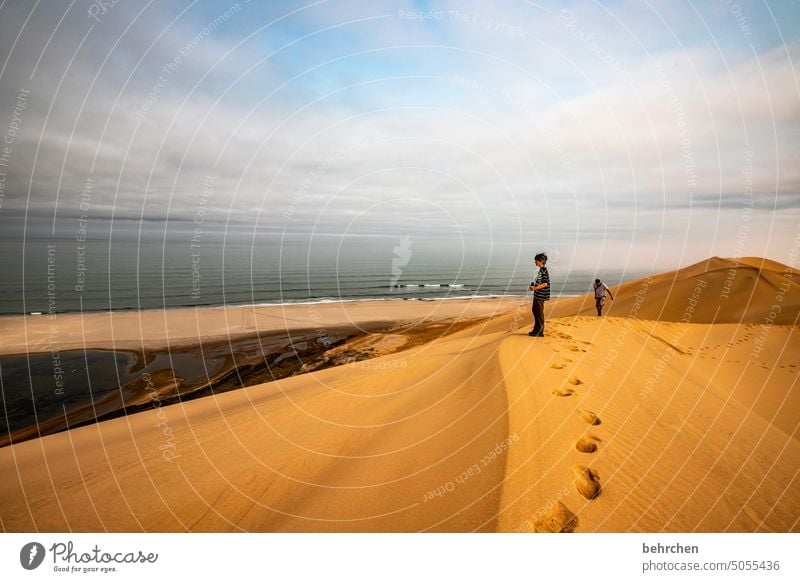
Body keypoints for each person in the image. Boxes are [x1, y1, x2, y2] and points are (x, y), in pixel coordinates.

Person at [528, 253, 550, 337]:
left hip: (541, 295)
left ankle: (540, 331)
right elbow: (541, 282)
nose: (535, 262)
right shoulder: (541, 270)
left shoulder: (544, 270)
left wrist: (535, 288)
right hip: (537, 294)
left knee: (539, 313)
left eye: (536, 260)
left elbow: (545, 284)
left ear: (541, 261)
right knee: (535, 310)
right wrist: (534, 286)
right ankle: (536, 329)